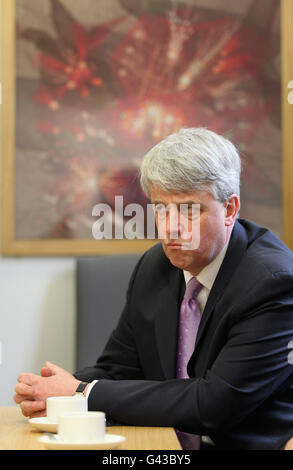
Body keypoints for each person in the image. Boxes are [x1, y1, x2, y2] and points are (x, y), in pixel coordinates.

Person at [14, 128, 293, 450]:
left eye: (189, 209)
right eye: (161, 208)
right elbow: (120, 368)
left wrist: (81, 392)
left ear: (229, 209)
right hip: (161, 442)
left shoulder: (274, 283)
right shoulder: (156, 266)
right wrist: (53, 391)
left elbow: (215, 404)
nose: (171, 227)